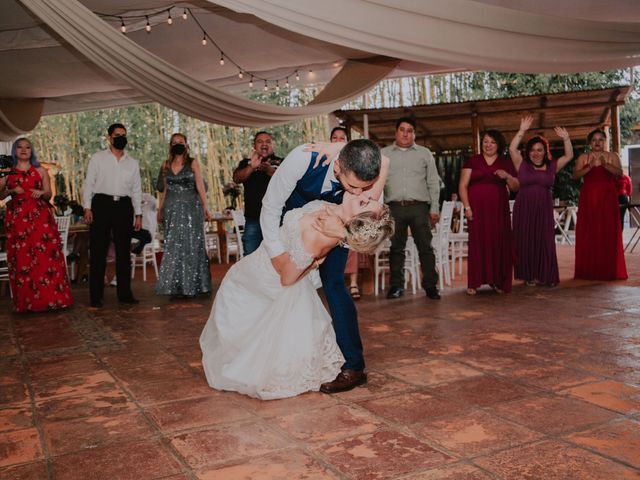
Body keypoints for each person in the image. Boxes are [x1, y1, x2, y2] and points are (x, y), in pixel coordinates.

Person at [200, 192, 394, 399]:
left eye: (364, 203)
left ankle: (248, 364)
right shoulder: (332, 209)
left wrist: (315, 262)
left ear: (355, 221)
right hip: (256, 263)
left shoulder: (322, 234)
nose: (362, 196)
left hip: (267, 274)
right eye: (369, 198)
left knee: (236, 306)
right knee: (248, 317)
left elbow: (287, 278)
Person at [259, 139, 389, 394]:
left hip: (337, 231)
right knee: (281, 291)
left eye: (366, 189)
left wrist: (341, 234)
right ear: (338, 167)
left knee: (334, 284)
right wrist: (276, 253)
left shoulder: (366, 182)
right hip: (293, 230)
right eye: (352, 186)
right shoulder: (303, 159)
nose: (358, 194)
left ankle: (354, 366)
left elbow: (365, 230)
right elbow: (271, 206)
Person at [0, 138, 73, 312]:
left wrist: (41, 192)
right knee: (23, 258)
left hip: (41, 219)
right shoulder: (7, 172)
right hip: (18, 220)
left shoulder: (40, 170)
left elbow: (48, 195)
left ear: (32, 151)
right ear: (14, 151)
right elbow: (1, 196)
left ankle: (53, 299)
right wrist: (11, 191)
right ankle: (28, 303)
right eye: (20, 147)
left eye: (28, 147)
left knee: (46, 257)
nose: (24, 150)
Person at [509, 115, 574, 287]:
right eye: (532, 150)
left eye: (539, 150)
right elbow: (512, 149)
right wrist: (522, 131)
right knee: (526, 241)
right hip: (524, 208)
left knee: (544, 241)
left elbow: (569, 156)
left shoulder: (552, 166)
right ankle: (529, 275)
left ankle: (546, 275)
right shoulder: (521, 165)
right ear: (528, 152)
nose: (535, 153)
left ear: (545, 151)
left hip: (544, 209)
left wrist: (566, 138)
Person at [382, 117, 442, 300]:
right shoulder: (384, 154)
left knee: (425, 248)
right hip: (394, 208)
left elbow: (433, 182)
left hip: (419, 208)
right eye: (402, 129)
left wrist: (435, 208)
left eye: (409, 130)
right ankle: (396, 287)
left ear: (414, 134)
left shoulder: (424, 154)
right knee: (396, 249)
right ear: (396, 132)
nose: (405, 133)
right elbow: (378, 182)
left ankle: (431, 286)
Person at [83, 123, 142, 307]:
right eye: (117, 135)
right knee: (98, 251)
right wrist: (87, 207)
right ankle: (95, 296)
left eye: (123, 135)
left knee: (124, 252)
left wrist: (138, 214)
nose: (121, 138)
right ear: (109, 137)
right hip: (101, 204)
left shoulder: (133, 163)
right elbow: (88, 185)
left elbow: (136, 190)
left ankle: (125, 294)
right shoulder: (98, 158)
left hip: (124, 207)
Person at [459, 130, 519, 295]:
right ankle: (474, 282)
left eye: (492, 142)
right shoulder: (473, 160)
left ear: (498, 145)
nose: (488, 145)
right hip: (477, 211)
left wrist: (507, 176)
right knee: (478, 243)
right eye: (485, 141)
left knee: (498, 242)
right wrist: (467, 207)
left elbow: (516, 187)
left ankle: (497, 281)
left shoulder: (505, 162)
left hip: (499, 211)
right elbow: (463, 185)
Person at [156, 133, 212, 298]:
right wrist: (160, 209)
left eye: (181, 142)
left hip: (191, 208)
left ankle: (193, 286)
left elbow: (200, 185)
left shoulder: (192, 162)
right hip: (172, 209)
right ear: (171, 146)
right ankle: (175, 286)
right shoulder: (166, 165)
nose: (178, 144)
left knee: (192, 244)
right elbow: (165, 190)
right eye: (175, 142)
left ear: (186, 145)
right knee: (173, 246)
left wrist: (205, 207)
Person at [573, 129, 627, 280]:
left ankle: (608, 269)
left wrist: (605, 165)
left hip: (608, 197)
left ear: (605, 141)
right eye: (594, 140)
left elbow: (619, 173)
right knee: (589, 230)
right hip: (589, 196)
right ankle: (589, 269)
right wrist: (589, 167)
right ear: (590, 143)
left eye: (601, 139)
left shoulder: (612, 156)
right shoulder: (584, 157)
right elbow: (575, 176)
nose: (597, 143)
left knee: (607, 230)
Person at [232, 131, 282, 255]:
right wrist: (252, 167)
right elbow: (237, 179)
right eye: (260, 141)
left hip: (277, 219)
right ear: (254, 146)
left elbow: (289, 183)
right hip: (253, 218)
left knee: (277, 255)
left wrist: (270, 172)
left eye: (268, 141)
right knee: (250, 255)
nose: (264, 144)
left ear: (272, 145)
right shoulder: (246, 163)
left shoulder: (282, 162)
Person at [330, 126, 361, 300]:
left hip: (348, 206)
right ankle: (333, 280)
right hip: (330, 207)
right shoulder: (324, 161)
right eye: (335, 138)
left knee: (350, 244)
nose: (338, 141)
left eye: (342, 138)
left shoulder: (354, 162)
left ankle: (354, 282)